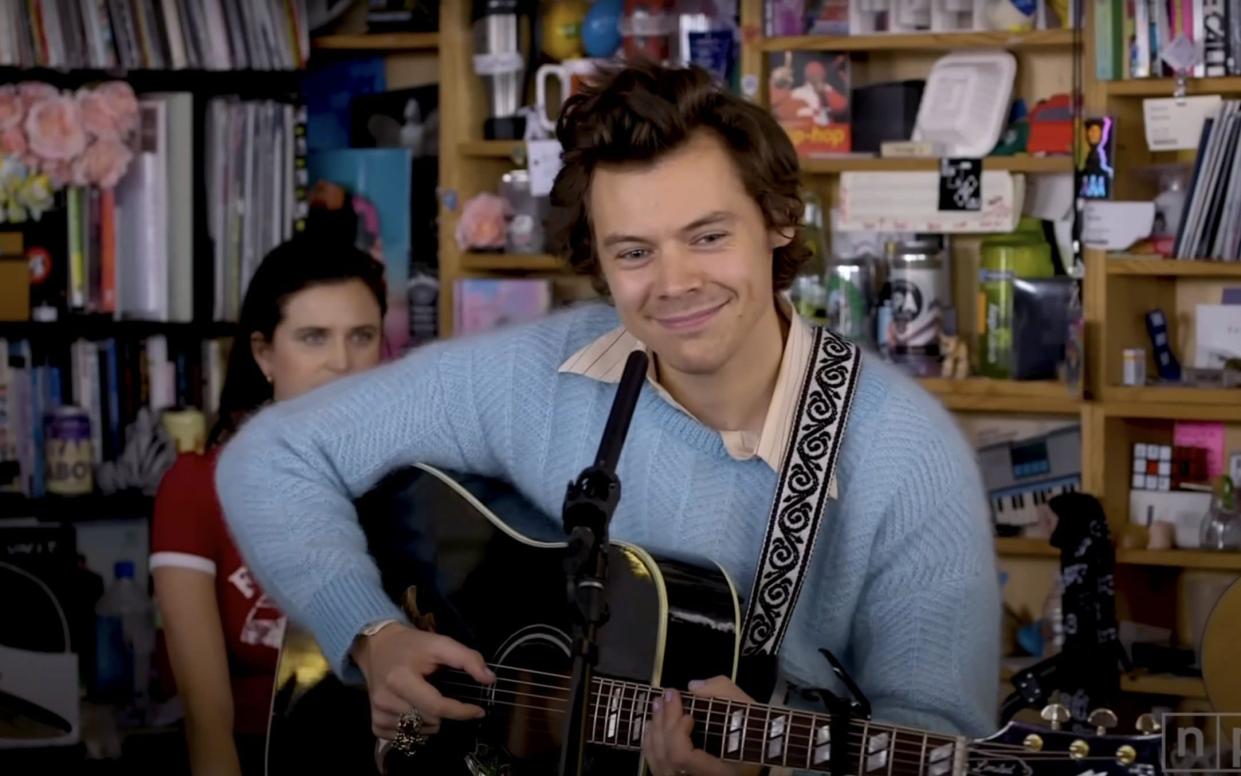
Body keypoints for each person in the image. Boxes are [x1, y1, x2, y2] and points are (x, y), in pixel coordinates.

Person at [214, 62, 1000, 776]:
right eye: (632, 253)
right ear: (596, 258)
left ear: (778, 221)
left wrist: (768, 769)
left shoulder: (902, 452)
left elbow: (938, 743)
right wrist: (372, 637)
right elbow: (272, 453)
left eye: (708, 236)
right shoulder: (537, 371)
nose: (673, 283)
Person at [150, 234, 388, 776]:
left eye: (362, 336)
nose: (342, 363)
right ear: (264, 355)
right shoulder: (197, 487)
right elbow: (207, 721)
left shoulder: (415, 492)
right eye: (313, 338)